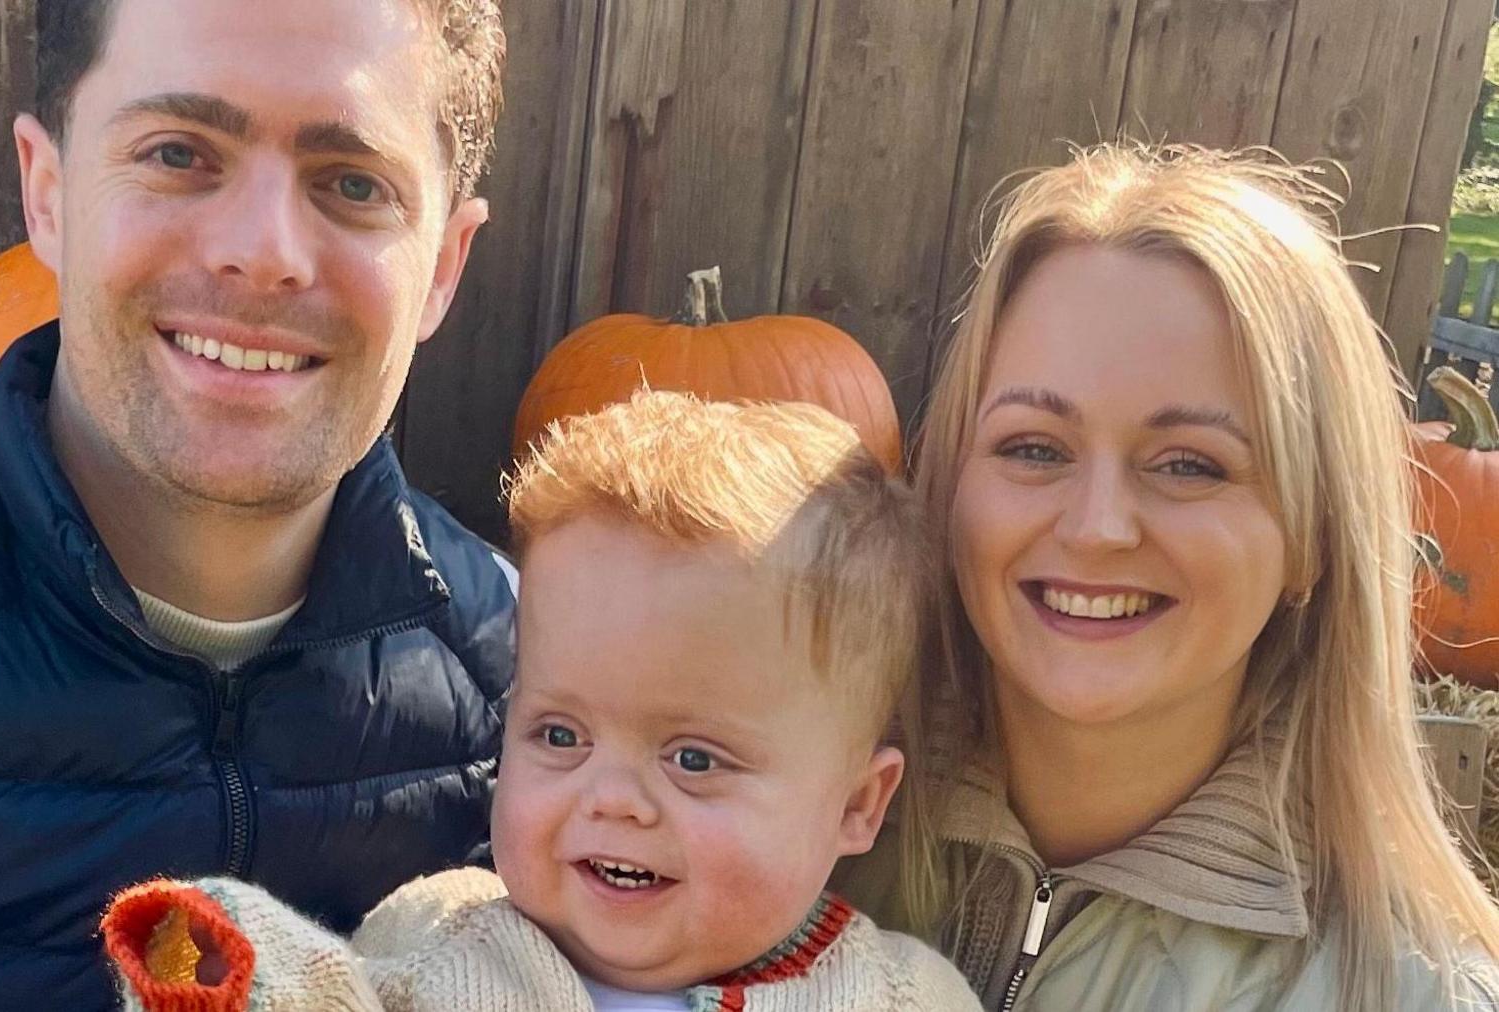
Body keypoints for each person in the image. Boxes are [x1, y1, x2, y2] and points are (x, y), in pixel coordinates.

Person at [0, 0, 518, 1007]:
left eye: (353, 183)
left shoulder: (534, 688)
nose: (262, 252)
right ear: (48, 194)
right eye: (178, 153)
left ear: (442, 267)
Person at [831, 142, 1499, 1010]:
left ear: (1312, 535)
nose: (1097, 527)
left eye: (1190, 465)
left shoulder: (1411, 994)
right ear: (953, 481)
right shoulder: (760, 852)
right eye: (1034, 448)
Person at [95, 391, 981, 1011]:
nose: (613, 799)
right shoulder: (442, 938)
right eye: (559, 733)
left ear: (858, 805)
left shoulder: (904, 995)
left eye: (694, 758)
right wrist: (224, 969)